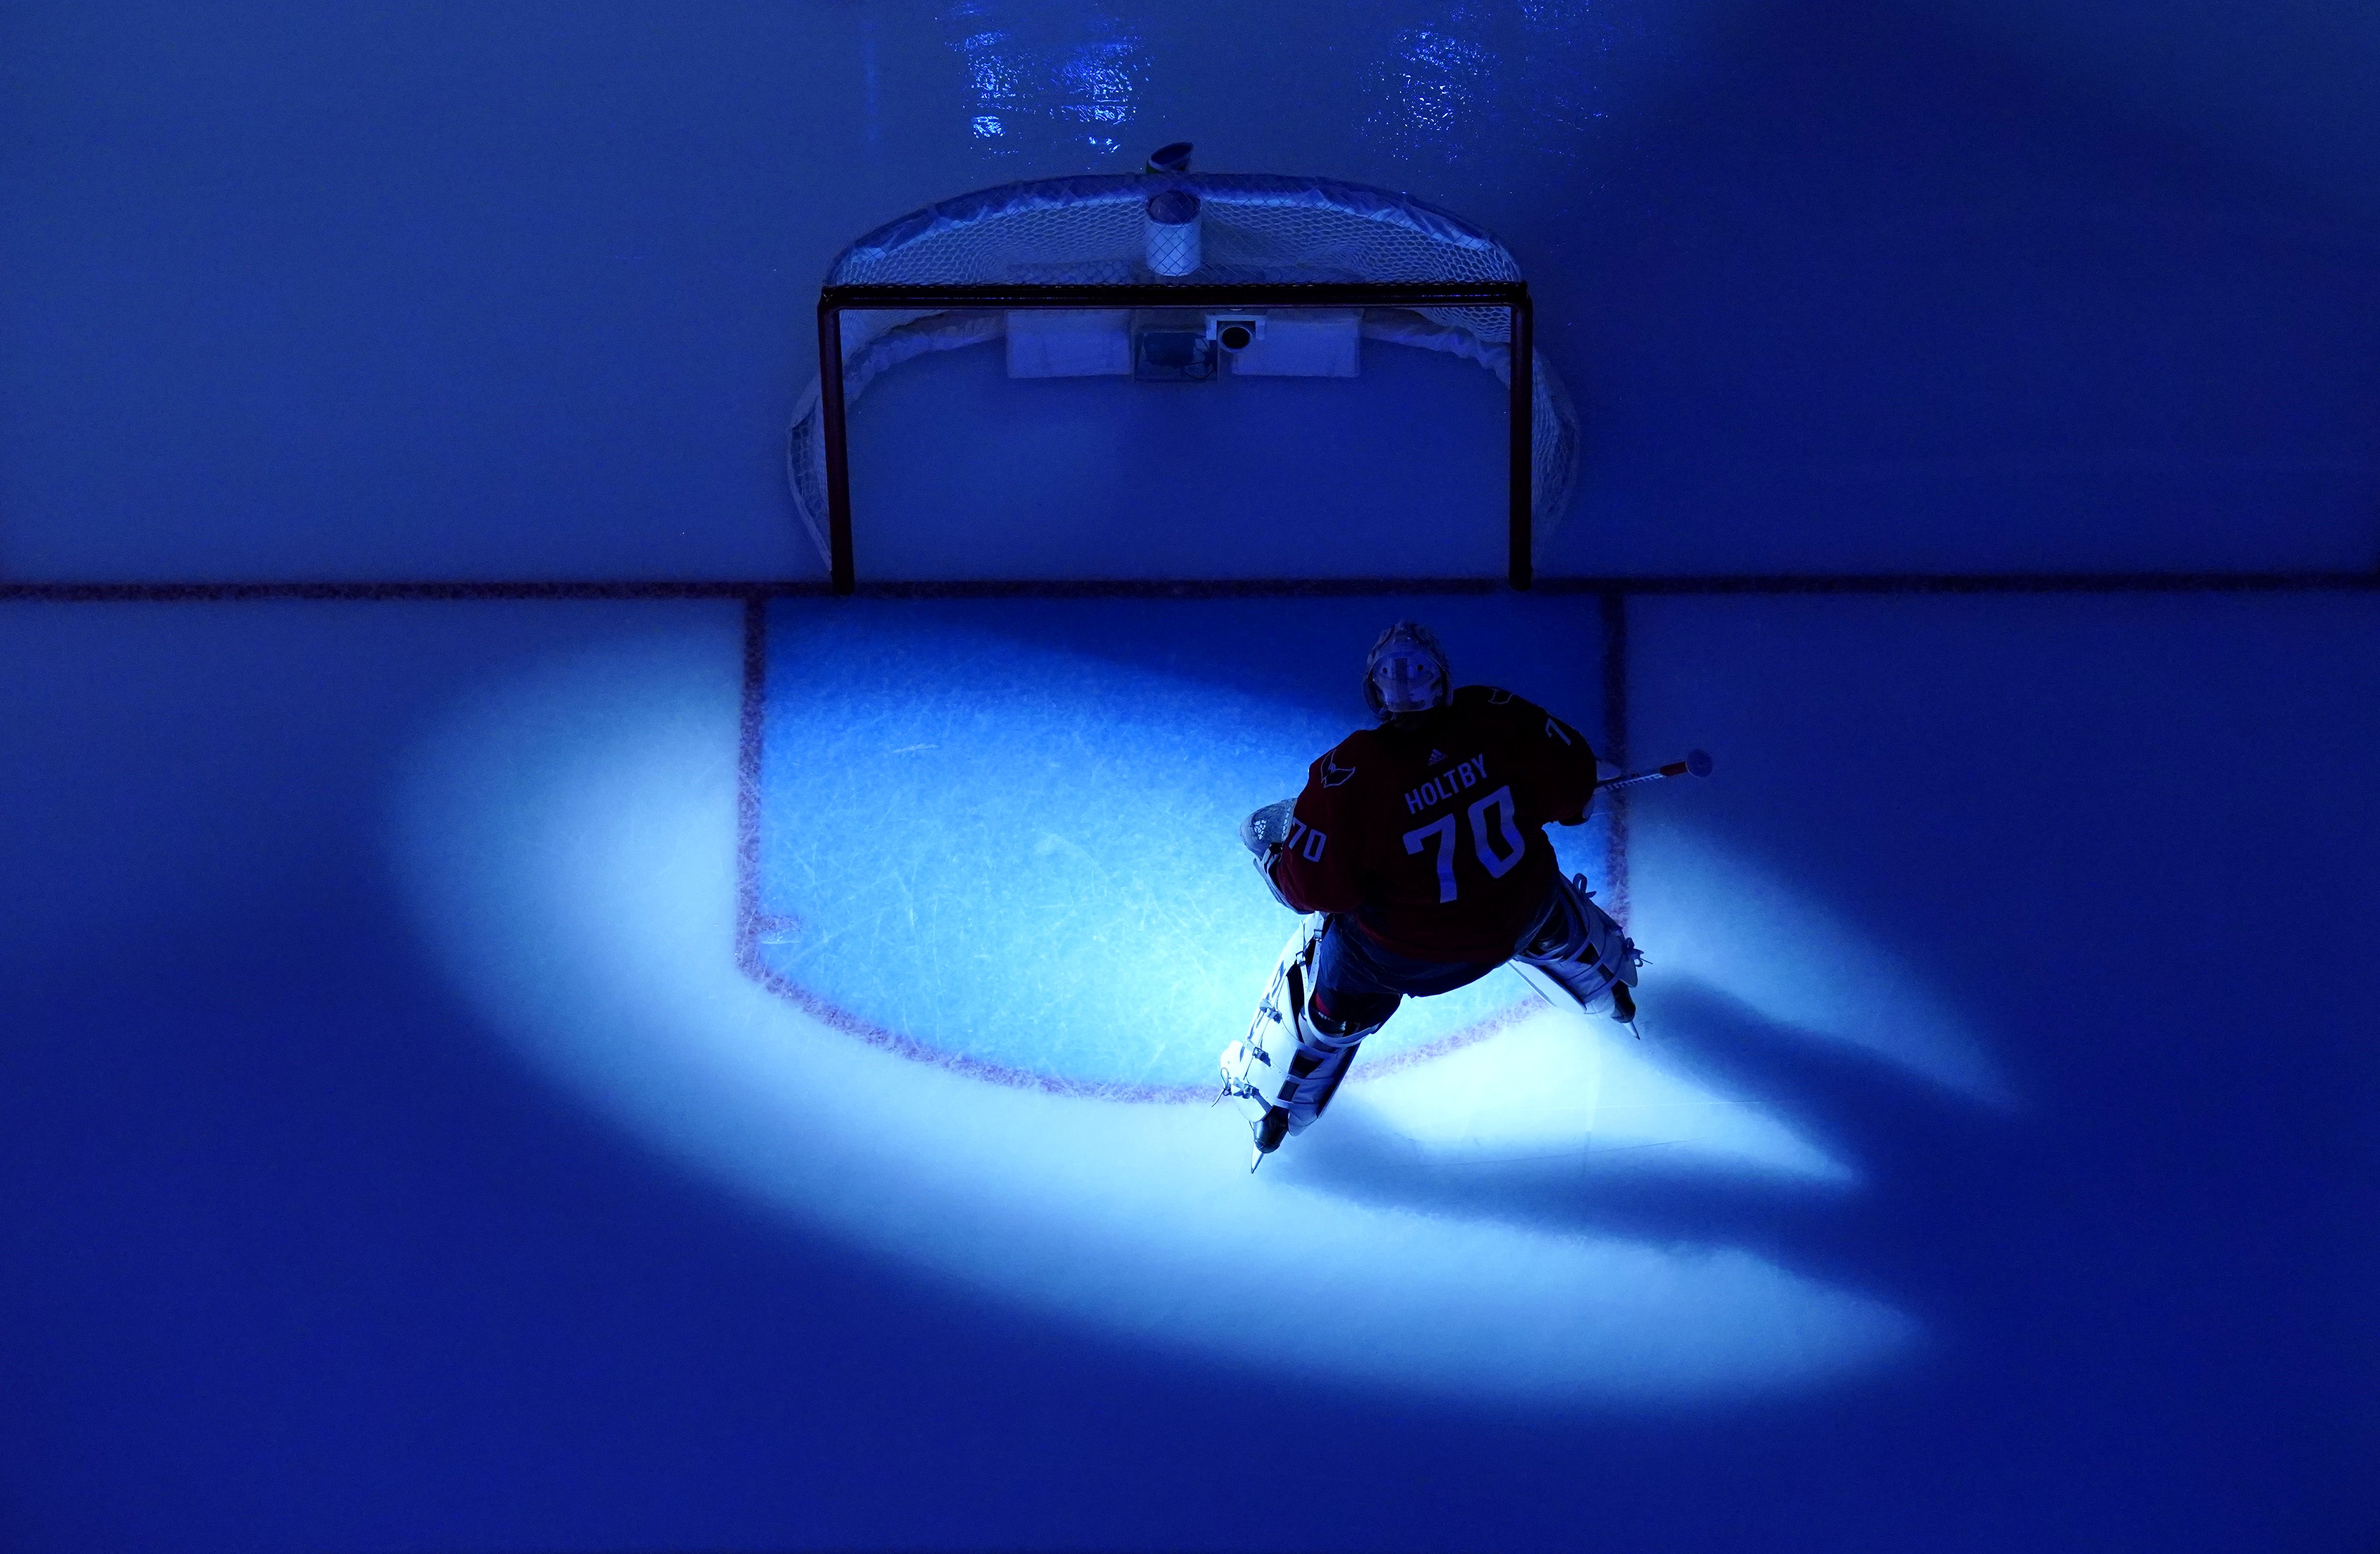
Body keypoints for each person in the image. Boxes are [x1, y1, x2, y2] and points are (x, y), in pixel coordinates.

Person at [1238, 620, 1639, 1158]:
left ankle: (1300, 1073)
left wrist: (1273, 860)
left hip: (1401, 957)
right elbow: (1574, 789)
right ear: (1444, 681)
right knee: (1536, 899)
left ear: (1374, 694)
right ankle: (1586, 962)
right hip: (1522, 910)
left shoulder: (1347, 772)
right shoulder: (1495, 714)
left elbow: (1310, 888)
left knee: (1326, 940)